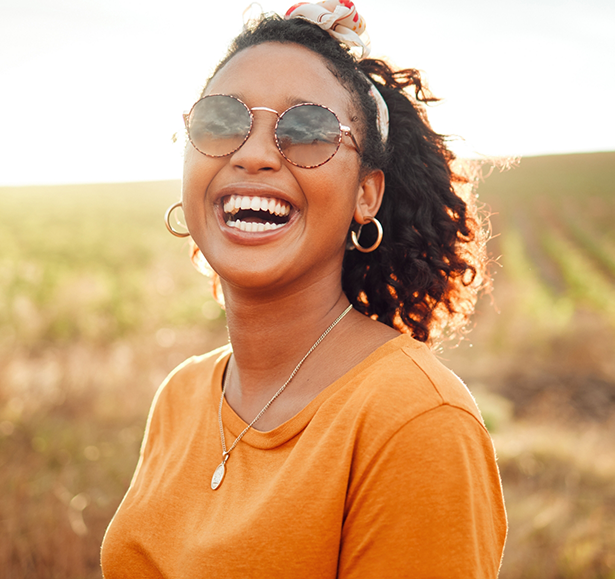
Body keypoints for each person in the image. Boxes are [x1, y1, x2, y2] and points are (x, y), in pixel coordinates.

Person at [101, 1, 506, 577]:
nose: (256, 153)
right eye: (220, 121)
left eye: (309, 130)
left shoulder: (415, 422)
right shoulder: (183, 394)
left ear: (366, 195)